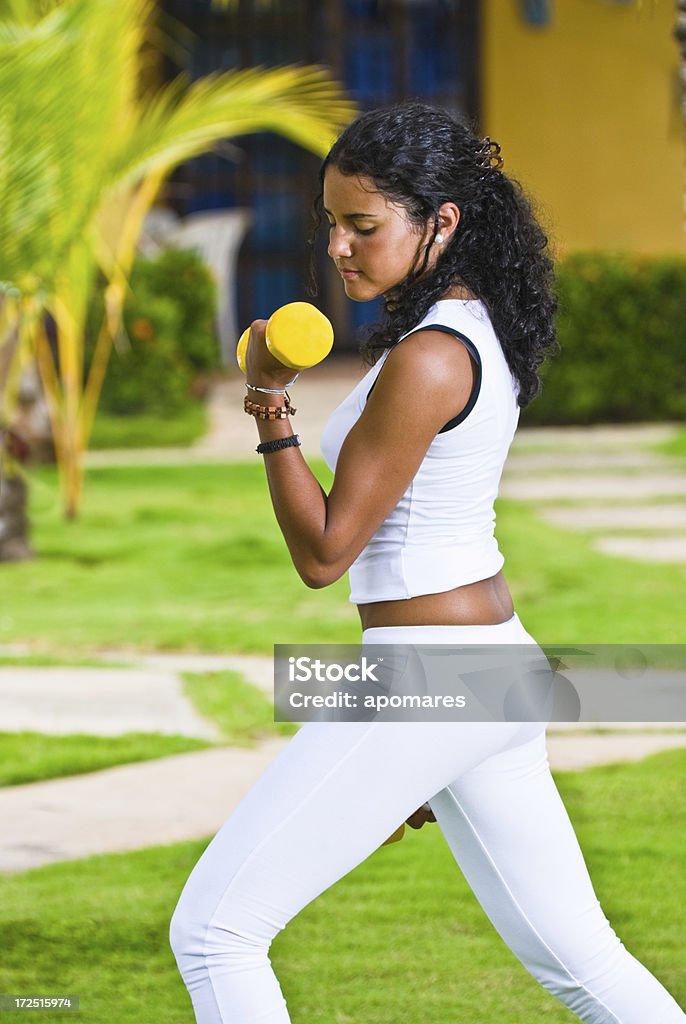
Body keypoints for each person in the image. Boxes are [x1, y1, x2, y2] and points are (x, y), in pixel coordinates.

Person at [169, 103, 685, 1024]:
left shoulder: (433, 357)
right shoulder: (466, 330)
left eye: (363, 226)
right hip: (482, 671)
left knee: (215, 933)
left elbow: (328, 553)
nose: (338, 246)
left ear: (441, 220)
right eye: (331, 222)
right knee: (582, 963)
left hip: (429, 681)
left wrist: (268, 401)